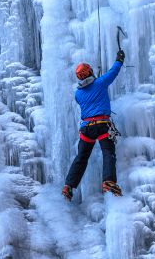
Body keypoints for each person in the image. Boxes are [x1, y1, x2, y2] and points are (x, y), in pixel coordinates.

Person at [62, 50, 125, 201]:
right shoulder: (100, 83)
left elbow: (89, 90)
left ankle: (69, 186)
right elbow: (114, 71)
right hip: (102, 125)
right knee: (108, 153)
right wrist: (119, 59)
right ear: (90, 71)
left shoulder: (78, 94)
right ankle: (108, 181)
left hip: (86, 129)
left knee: (81, 158)